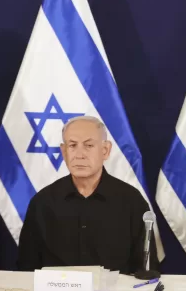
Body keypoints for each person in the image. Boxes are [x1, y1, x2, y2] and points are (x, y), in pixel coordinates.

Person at [17, 116, 156, 274]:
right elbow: (26, 268)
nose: (79, 155)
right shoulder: (43, 202)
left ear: (105, 150)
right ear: (64, 151)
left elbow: (146, 268)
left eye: (89, 145)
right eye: (72, 145)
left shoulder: (131, 201)